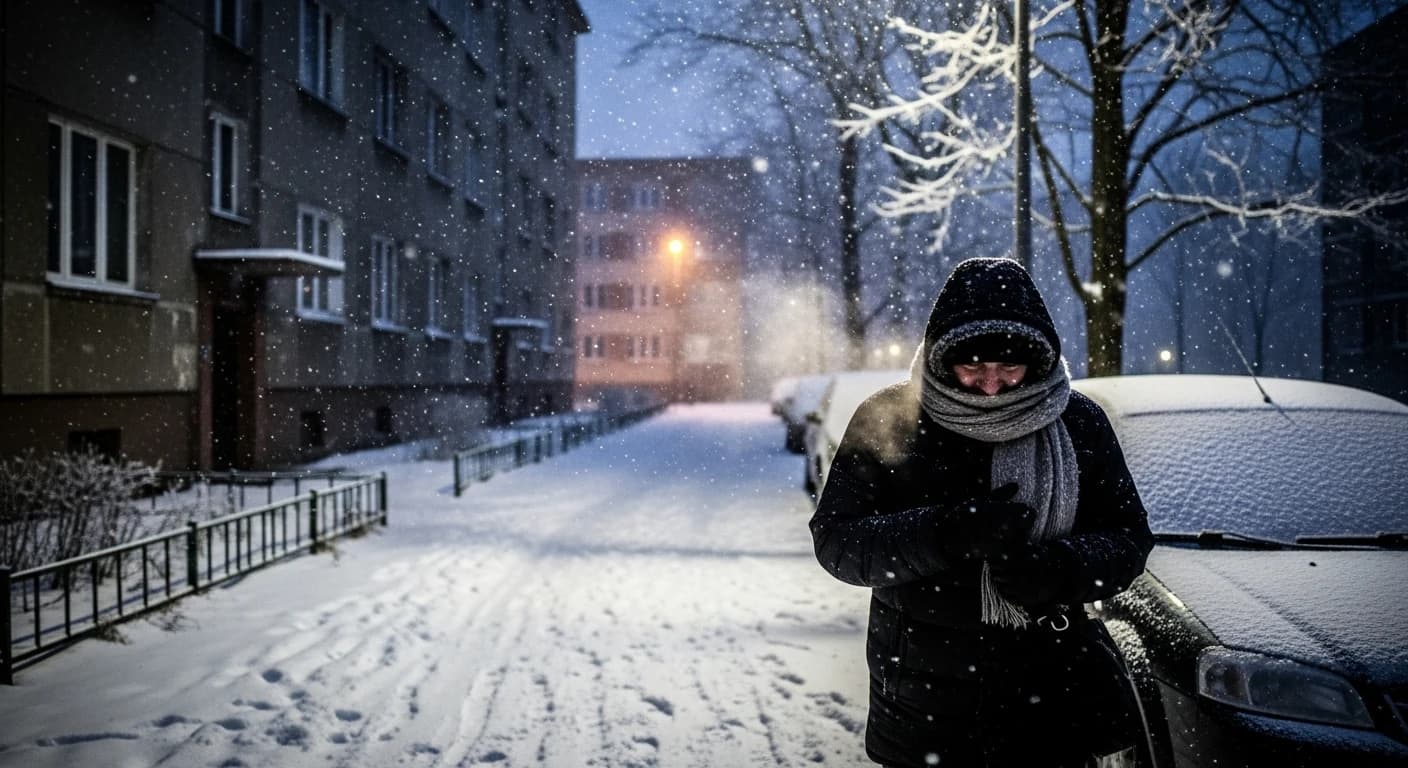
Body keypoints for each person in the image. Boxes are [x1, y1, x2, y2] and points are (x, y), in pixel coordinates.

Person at [809, 257, 1152, 768]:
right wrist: (943, 533)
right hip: (924, 707)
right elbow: (837, 541)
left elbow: (1128, 538)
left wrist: (1060, 569)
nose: (991, 384)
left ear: (1037, 360)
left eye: (1008, 367)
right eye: (973, 366)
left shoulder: (1079, 422)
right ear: (943, 359)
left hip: (1050, 706)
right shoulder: (891, 418)